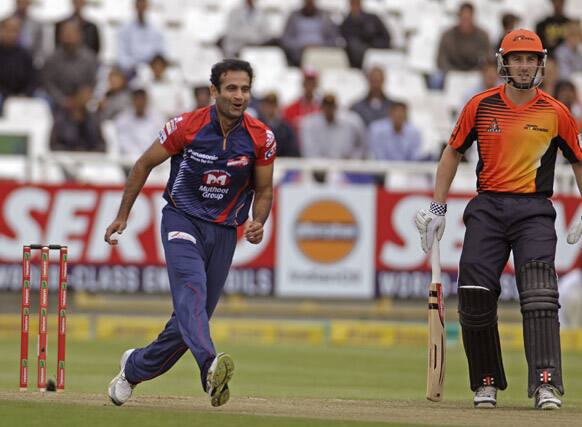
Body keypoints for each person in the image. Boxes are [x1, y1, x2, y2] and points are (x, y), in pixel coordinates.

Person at [415, 29, 582, 410]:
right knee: (474, 295)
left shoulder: (556, 112)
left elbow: (578, 160)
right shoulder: (481, 105)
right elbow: (452, 153)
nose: (524, 66)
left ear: (541, 64)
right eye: (517, 58)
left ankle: (545, 384)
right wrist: (438, 207)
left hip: (534, 212)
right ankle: (485, 382)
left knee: (540, 295)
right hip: (488, 208)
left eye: (531, 59)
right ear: (503, 62)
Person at [105, 59, 276, 408]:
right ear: (214, 91)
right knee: (192, 291)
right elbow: (143, 164)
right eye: (231, 88)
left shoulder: (261, 136)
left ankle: (133, 368)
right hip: (182, 219)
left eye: (244, 89)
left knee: (189, 318)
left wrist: (258, 220)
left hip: (225, 232)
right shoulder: (187, 126)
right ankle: (209, 367)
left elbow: (265, 189)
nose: (239, 96)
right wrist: (123, 215)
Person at [42, 20, 98, 110]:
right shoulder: (51, 60)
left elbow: (93, 82)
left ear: (80, 35)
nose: (69, 37)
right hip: (58, 104)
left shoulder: (90, 58)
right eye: (65, 33)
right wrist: (63, 100)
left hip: (84, 102)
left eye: (72, 33)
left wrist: (82, 98)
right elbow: (49, 84)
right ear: (60, 36)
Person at [433, 2, 490, 88]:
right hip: (451, 72)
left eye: (468, 18)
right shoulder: (447, 35)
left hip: (475, 73)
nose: (466, 21)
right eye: (463, 18)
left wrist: (475, 72)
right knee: (436, 78)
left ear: (473, 17)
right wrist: (453, 72)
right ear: (458, 17)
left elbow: (487, 58)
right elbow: (441, 59)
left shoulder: (483, 35)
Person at [280, 0, 341, 67]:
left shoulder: (325, 16)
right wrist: (302, 46)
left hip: (322, 54)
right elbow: (286, 40)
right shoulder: (294, 16)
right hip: (298, 56)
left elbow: (334, 39)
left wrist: (320, 46)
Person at [117, 0, 165, 75]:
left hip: (152, 71)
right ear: (135, 6)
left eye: (143, 3)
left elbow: (161, 52)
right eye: (139, 3)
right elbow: (121, 55)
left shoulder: (157, 30)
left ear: (147, 6)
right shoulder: (124, 30)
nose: (141, 7)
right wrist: (135, 67)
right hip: (131, 71)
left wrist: (150, 68)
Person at [339, 0, 391, 68]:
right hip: (353, 59)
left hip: (373, 54)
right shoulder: (346, 23)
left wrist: (372, 46)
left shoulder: (373, 18)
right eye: (353, 2)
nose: (355, 5)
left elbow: (386, 38)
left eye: (357, 2)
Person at [114, 88, 164, 158]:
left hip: (153, 159)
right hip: (131, 160)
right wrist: (140, 158)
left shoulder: (158, 119)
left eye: (142, 100)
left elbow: (159, 140)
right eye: (137, 100)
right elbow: (124, 142)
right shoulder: (122, 119)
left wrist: (149, 157)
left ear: (146, 101)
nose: (140, 103)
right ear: (133, 101)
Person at [0, 16, 37, 110]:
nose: (11, 34)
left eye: (15, 30)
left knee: (43, 98)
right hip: (3, 95)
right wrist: (9, 96)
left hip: (23, 95)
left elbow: (33, 79)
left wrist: (25, 94)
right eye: (8, 30)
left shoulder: (26, 54)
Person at [258, 92, 300, 157]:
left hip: (282, 162)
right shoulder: (255, 126)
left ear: (277, 106)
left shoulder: (286, 128)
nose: (270, 108)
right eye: (268, 104)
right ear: (262, 106)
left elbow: (293, 150)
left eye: (273, 104)